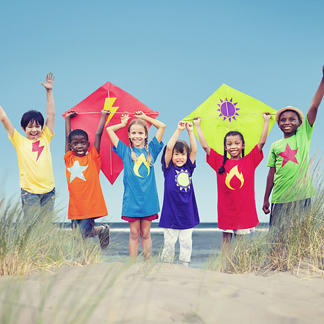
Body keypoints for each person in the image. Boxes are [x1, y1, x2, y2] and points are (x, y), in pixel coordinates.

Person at [194, 113, 271, 248]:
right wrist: (197, 126)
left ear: (243, 145)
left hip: (243, 210)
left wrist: (267, 121)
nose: (233, 146)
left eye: (237, 143)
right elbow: (205, 147)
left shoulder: (249, 160)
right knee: (226, 240)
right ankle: (225, 267)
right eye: (229, 144)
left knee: (240, 242)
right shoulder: (219, 161)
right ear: (225, 147)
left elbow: (262, 142)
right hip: (227, 211)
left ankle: (240, 268)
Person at [263, 66, 324, 228]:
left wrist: (323, 79)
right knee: (277, 236)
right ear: (278, 125)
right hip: (279, 198)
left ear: (300, 123)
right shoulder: (276, 145)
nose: (287, 122)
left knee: (300, 234)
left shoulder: (304, 134)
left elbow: (314, 106)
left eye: (292, 119)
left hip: (301, 196)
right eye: (283, 120)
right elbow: (271, 174)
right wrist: (266, 198)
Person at [106, 111, 165, 259]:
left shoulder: (152, 150)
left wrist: (143, 118)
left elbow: (162, 126)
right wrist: (123, 124)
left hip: (148, 200)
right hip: (131, 200)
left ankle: (148, 264)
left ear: (146, 135)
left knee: (145, 233)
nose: (137, 136)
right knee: (134, 234)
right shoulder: (125, 151)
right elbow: (109, 130)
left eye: (140, 133)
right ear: (129, 135)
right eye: (133, 133)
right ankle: (132, 265)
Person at [0, 72, 56, 217]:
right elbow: (4, 118)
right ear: (24, 129)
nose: (34, 130)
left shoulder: (45, 138)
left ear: (41, 128)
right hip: (29, 192)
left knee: (46, 228)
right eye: (30, 127)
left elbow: (51, 115)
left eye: (37, 126)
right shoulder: (19, 141)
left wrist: (49, 91)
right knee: (31, 227)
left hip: (49, 191)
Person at [64, 109, 110, 249]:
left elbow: (98, 134)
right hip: (75, 207)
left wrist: (103, 116)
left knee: (83, 233)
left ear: (88, 145)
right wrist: (67, 119)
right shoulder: (69, 159)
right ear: (71, 146)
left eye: (83, 143)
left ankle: (102, 229)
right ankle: (80, 261)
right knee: (77, 237)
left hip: (89, 206)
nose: (79, 146)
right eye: (76, 144)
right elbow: (67, 136)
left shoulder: (92, 158)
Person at [159, 121, 199, 266]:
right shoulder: (168, 168)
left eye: (182, 154)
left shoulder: (189, 167)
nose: (179, 157)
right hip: (170, 212)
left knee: (186, 241)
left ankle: (185, 264)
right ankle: (166, 264)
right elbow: (169, 147)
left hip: (187, 211)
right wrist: (178, 130)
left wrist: (190, 132)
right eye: (176, 154)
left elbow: (194, 150)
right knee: (169, 241)